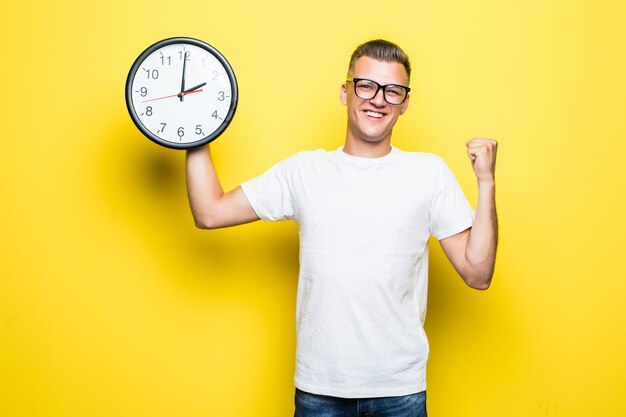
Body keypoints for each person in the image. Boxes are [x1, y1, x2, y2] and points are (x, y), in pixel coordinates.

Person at [186, 39, 498, 417]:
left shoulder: (428, 174)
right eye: (366, 85)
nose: (378, 99)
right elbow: (210, 212)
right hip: (320, 391)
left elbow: (478, 273)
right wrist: (195, 129)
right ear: (345, 91)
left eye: (392, 90)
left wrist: (485, 182)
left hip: (399, 392)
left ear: (404, 103)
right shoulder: (303, 171)